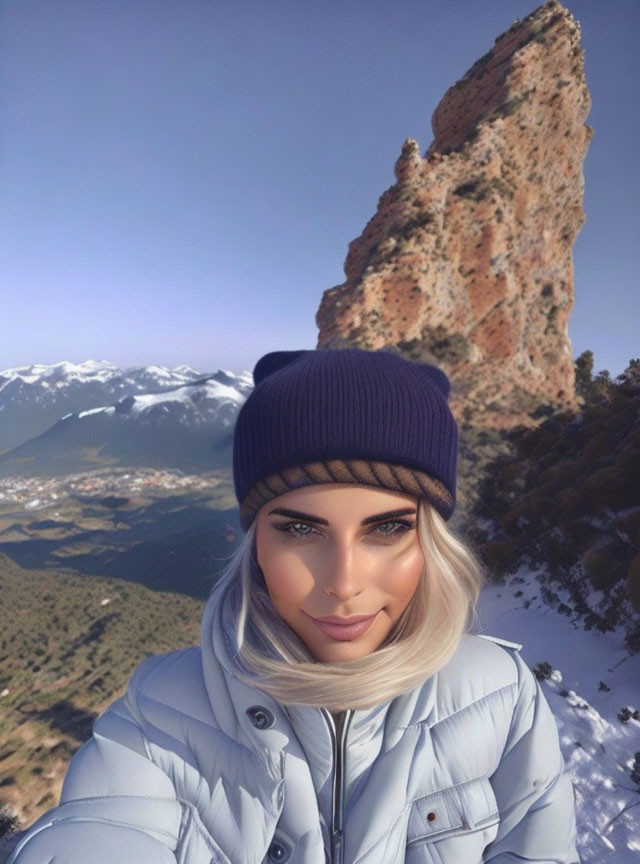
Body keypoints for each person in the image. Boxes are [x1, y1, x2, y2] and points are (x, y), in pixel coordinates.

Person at [5, 347, 580, 864]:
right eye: (302, 529)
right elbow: (104, 827)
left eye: (388, 529)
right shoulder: (160, 715)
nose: (344, 583)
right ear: (255, 543)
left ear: (431, 542)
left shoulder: (501, 699)